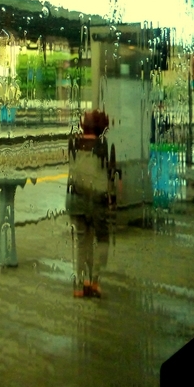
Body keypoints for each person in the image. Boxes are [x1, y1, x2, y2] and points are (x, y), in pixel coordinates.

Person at [65, 110, 120, 298]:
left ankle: (80, 285)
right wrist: (112, 199)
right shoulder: (105, 145)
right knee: (102, 239)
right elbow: (111, 176)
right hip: (97, 199)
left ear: (83, 125)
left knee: (82, 242)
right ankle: (94, 281)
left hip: (76, 198)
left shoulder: (73, 143)